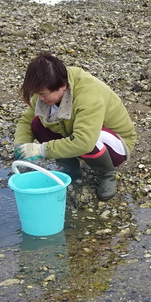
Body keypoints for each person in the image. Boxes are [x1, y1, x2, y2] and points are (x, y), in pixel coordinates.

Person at [14, 52, 136, 201]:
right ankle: (71, 169)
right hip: (77, 132)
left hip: (116, 145)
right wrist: (21, 145)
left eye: (43, 94)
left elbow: (85, 141)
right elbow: (27, 120)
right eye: (37, 94)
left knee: (89, 139)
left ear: (63, 86)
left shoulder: (88, 94)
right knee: (37, 124)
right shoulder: (46, 86)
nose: (40, 98)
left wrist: (41, 150)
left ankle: (107, 175)